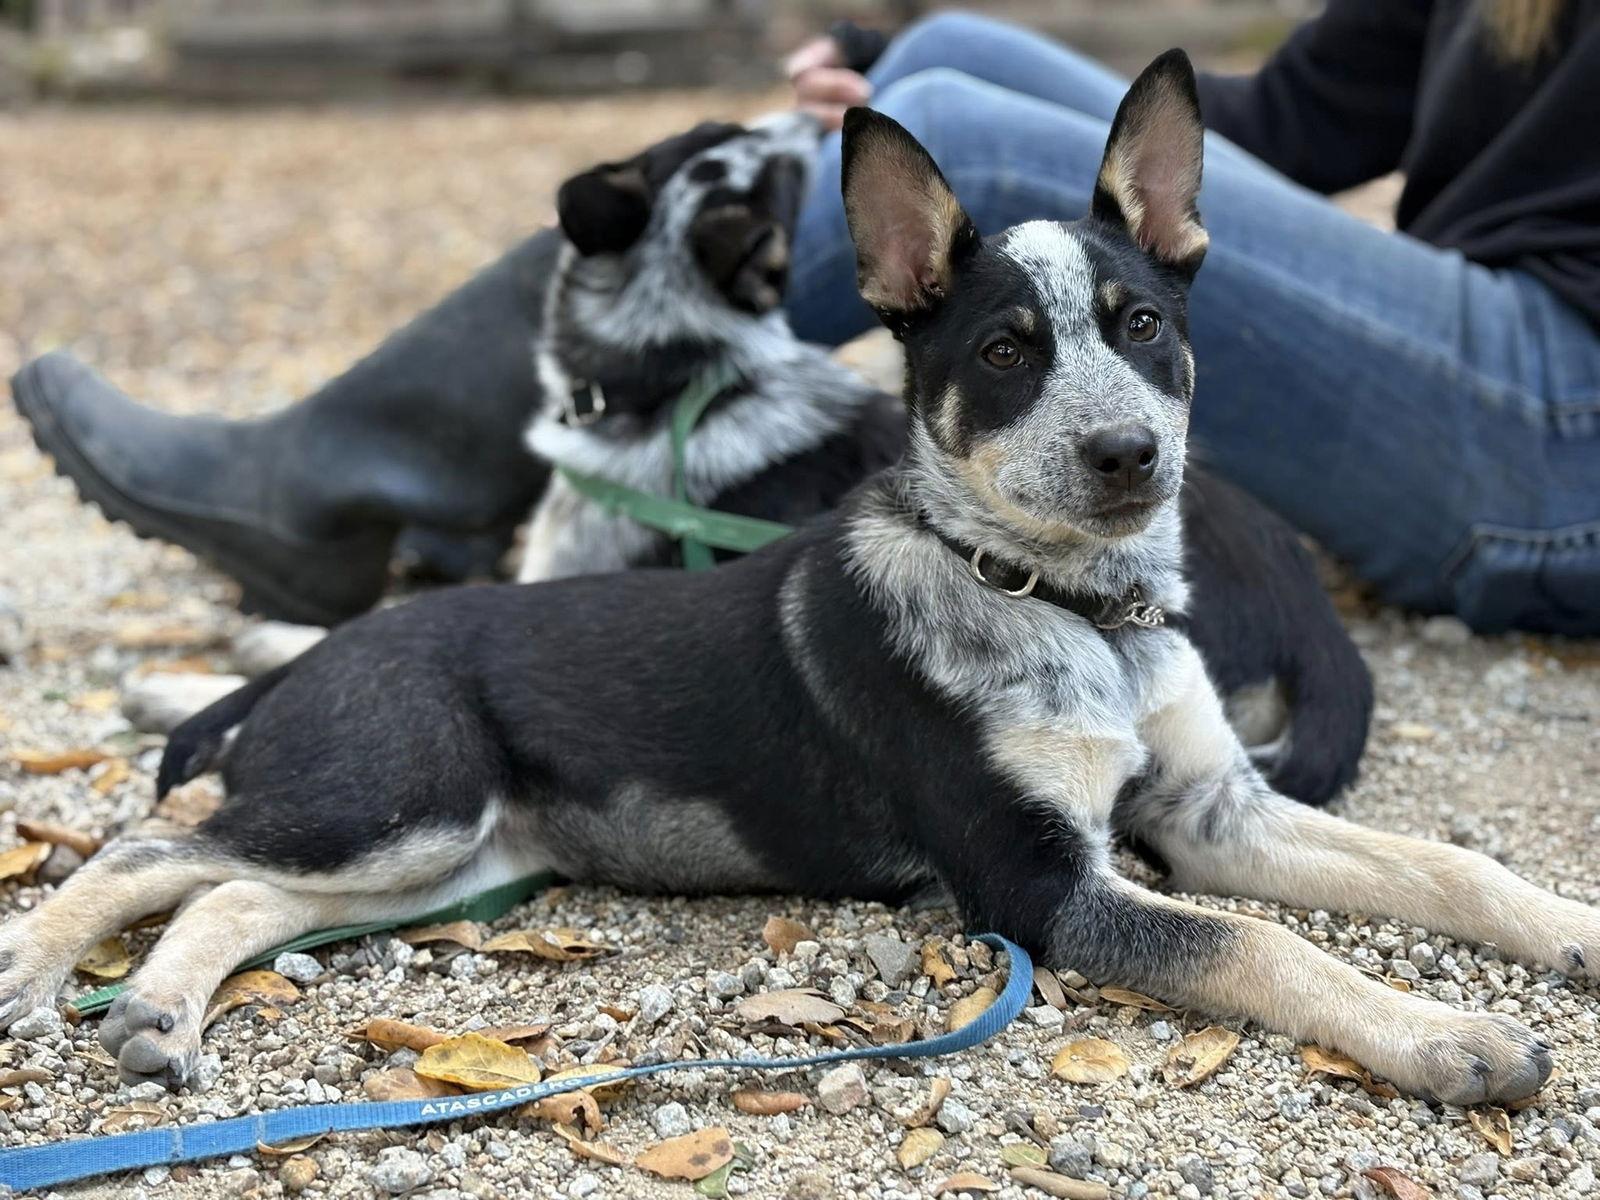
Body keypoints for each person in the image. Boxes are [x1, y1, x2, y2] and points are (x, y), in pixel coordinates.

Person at [13, 1, 1600, 633]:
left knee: (963, 151)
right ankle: (501, 483)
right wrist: (890, 74)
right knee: (938, 69)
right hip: (1488, 344)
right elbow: (1305, 117)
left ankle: (363, 483)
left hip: (1562, 435)